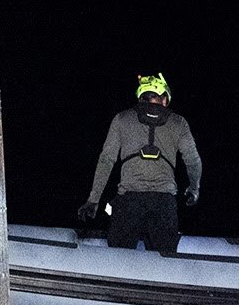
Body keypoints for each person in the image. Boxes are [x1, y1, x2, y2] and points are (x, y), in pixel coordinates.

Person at [77, 73, 202, 251]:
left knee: (120, 258)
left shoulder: (122, 118)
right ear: (164, 99)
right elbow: (193, 160)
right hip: (164, 203)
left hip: (128, 203)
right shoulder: (178, 123)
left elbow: (106, 160)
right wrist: (194, 188)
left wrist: (94, 199)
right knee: (164, 261)